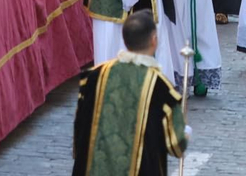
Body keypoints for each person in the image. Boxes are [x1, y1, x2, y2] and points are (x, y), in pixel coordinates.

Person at [70, 12, 187, 176]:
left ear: (125, 41)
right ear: (154, 40)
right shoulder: (160, 86)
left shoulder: (93, 77)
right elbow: (176, 144)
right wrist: (185, 133)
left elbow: (80, 128)